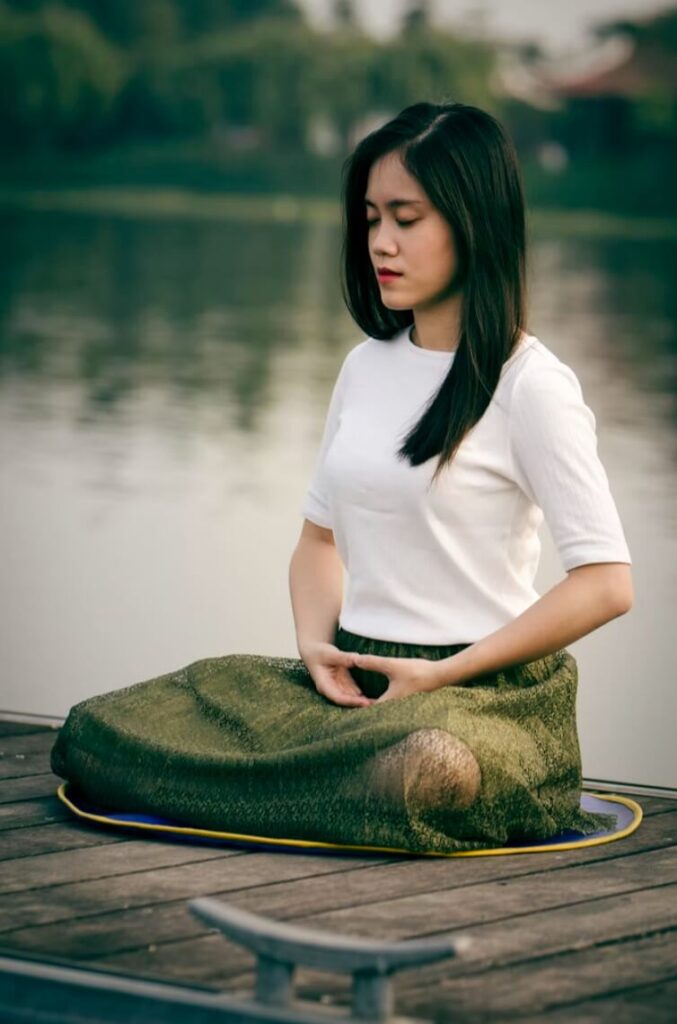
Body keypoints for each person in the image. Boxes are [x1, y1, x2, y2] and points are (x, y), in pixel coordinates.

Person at [51, 101, 633, 855]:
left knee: (422, 768)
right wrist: (315, 649)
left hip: (478, 703)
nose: (380, 243)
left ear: (472, 219)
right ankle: (314, 784)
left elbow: (606, 583)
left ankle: (303, 785)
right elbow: (317, 543)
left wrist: (446, 673)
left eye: (405, 218)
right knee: (101, 730)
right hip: (353, 687)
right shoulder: (365, 369)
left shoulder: (531, 386)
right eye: (369, 219)